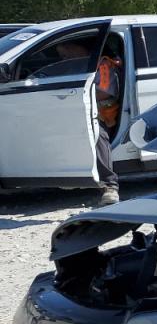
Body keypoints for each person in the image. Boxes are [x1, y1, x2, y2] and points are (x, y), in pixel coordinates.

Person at [53, 38, 121, 206]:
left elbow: (104, 92)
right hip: (78, 113)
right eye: (61, 55)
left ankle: (110, 186)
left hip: (104, 116)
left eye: (67, 51)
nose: (64, 57)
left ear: (82, 47)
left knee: (96, 135)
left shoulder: (103, 64)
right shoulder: (74, 66)